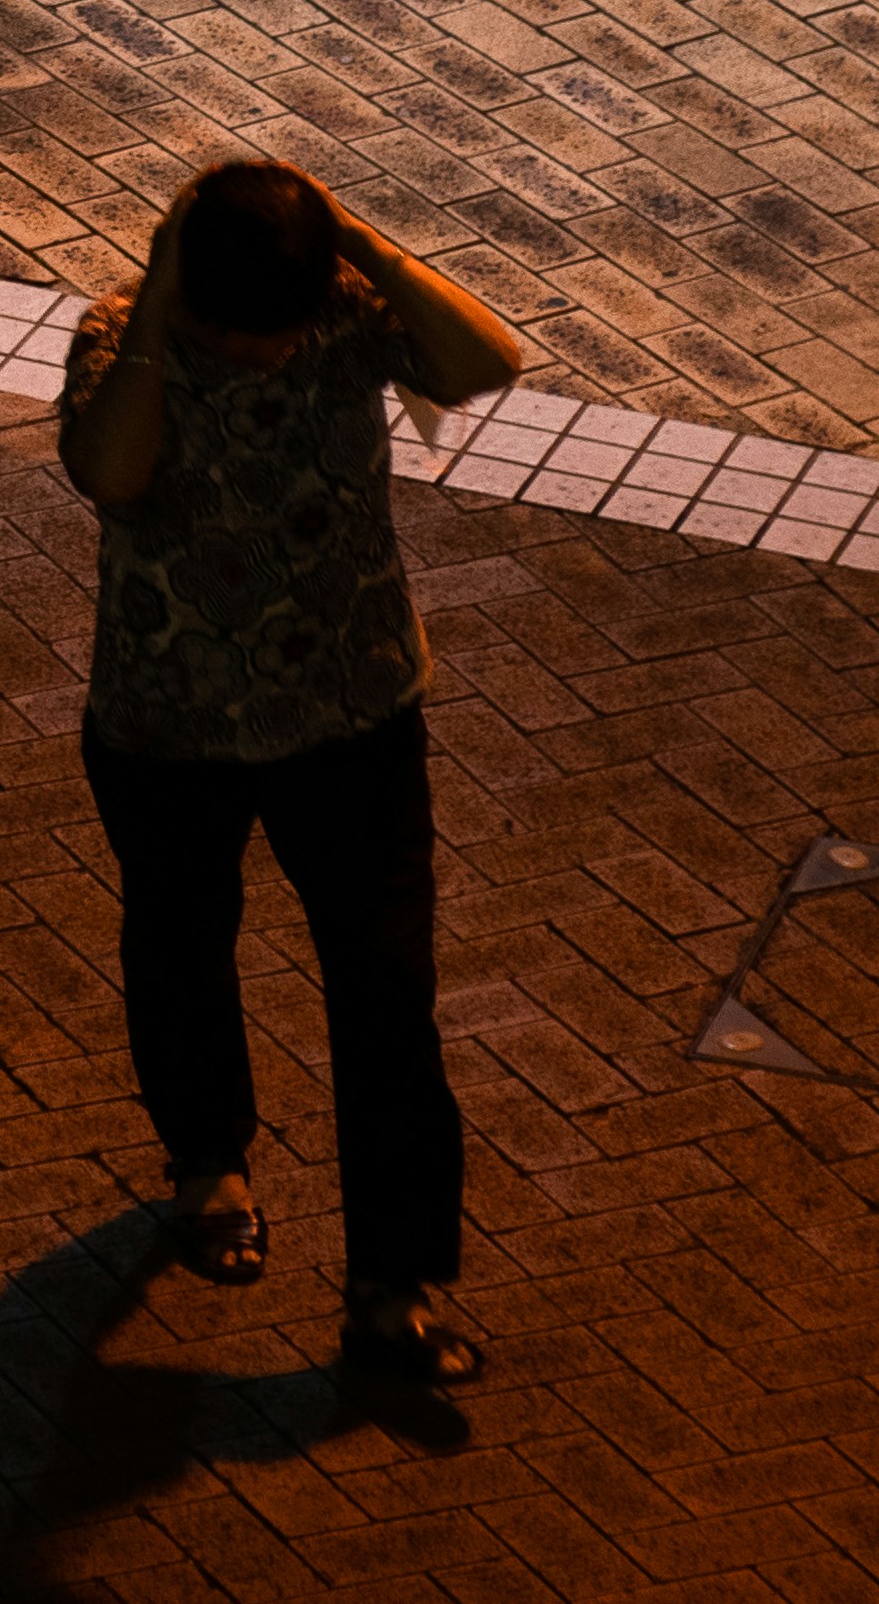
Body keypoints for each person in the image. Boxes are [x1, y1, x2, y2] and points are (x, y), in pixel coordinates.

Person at [54, 155, 531, 1389]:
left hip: (353, 715)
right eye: (237, 328)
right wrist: (160, 311)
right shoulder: (119, 341)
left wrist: (362, 246)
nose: (265, 351)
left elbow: (489, 362)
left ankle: (393, 1282)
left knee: (386, 1000)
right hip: (168, 723)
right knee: (179, 943)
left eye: (278, 323)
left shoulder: (342, 319)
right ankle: (209, 1163)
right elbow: (109, 474)